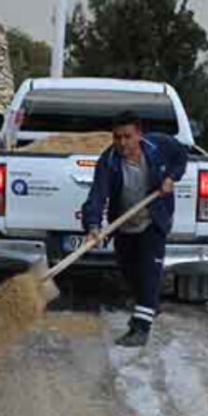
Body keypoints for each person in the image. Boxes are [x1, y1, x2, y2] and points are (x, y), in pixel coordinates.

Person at [82, 110, 188, 347]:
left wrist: (172, 177)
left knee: (150, 269)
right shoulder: (108, 162)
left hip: (154, 218)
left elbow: (181, 156)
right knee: (130, 271)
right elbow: (97, 197)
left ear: (139, 134)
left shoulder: (159, 145)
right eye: (117, 137)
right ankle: (149, 304)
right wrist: (93, 226)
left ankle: (141, 328)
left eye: (127, 137)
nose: (122, 143)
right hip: (125, 223)